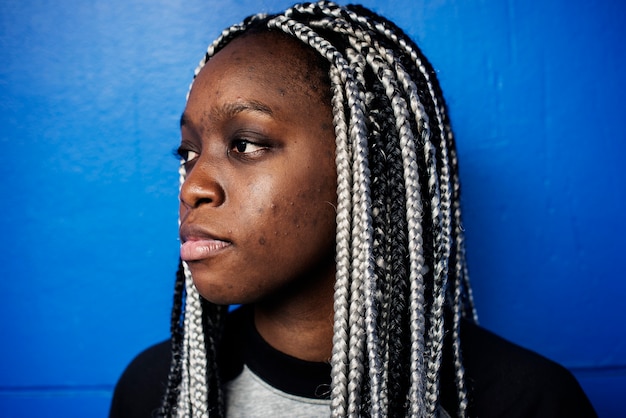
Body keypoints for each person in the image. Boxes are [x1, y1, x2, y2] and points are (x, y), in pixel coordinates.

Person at [109, 2, 597, 417]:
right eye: (187, 153)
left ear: (367, 166)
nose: (193, 186)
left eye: (246, 144)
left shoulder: (524, 401)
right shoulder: (154, 390)